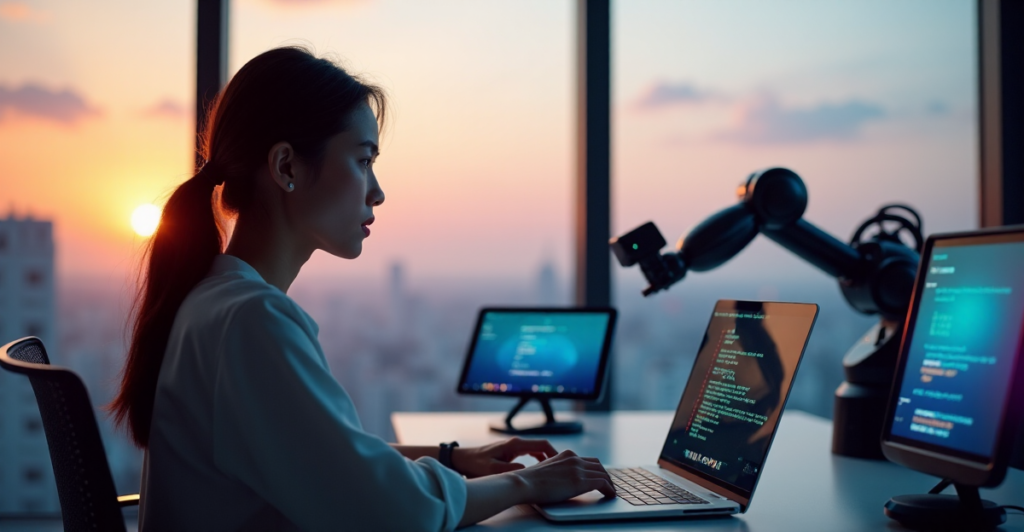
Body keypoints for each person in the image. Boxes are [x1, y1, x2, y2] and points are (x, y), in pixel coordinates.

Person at [108, 47, 614, 531]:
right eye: (363, 160)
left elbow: (320, 458)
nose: (378, 191)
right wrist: (527, 483)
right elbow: (390, 512)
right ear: (286, 167)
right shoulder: (250, 321)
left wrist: (453, 457)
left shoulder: (214, 302)